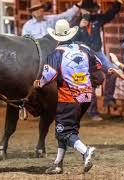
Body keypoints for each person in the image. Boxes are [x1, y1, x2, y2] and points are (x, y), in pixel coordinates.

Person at [33, 19, 104, 174]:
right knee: (68, 129)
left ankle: (85, 151)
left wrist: (38, 83)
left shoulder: (56, 54)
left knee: (63, 131)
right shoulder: (84, 48)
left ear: (57, 37)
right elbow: (98, 65)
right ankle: (58, 164)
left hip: (69, 99)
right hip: (86, 97)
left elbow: (48, 76)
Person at [71, 0, 124, 121]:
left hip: (97, 52)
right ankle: (92, 112)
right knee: (89, 81)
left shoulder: (97, 19)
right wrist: (79, 28)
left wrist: (118, 3)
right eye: (86, 10)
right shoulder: (74, 22)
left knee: (113, 72)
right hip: (83, 54)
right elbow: (69, 40)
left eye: (90, 10)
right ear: (81, 10)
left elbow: (109, 14)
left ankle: (108, 99)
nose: (88, 12)